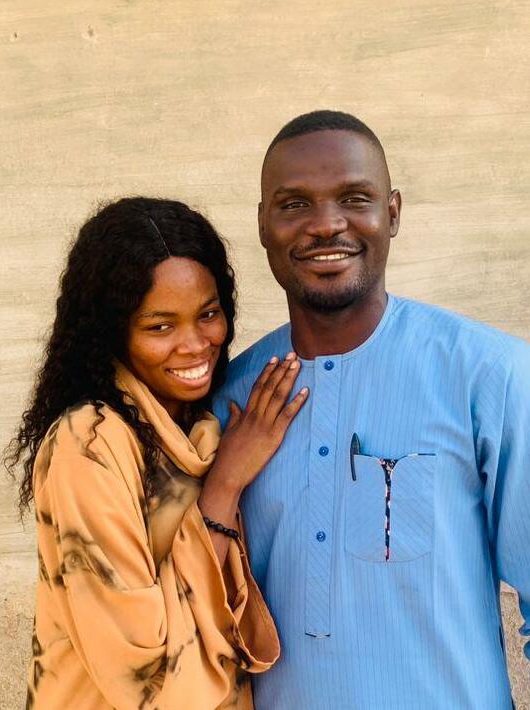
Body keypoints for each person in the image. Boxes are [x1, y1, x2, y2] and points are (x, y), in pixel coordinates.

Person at [214, 110, 530, 709]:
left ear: (393, 212)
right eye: (294, 204)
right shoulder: (231, 401)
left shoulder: (490, 376)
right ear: (262, 225)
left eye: (355, 198)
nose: (326, 225)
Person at [5, 196, 309, 709]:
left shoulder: (202, 426)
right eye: (160, 326)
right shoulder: (89, 445)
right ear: (113, 333)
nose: (194, 344)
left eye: (208, 314)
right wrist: (226, 483)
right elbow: (142, 676)